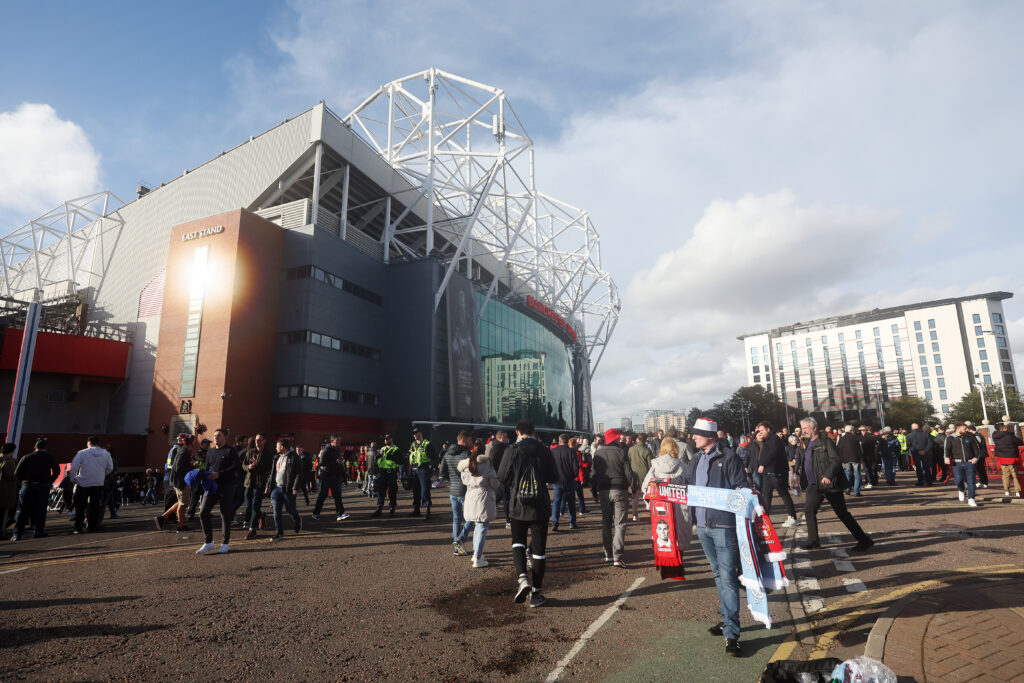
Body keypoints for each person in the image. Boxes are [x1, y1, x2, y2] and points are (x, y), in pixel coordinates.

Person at [679, 418, 746, 657]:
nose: (693, 438)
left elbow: (742, 488)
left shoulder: (729, 457)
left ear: (710, 436)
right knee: (719, 574)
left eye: (697, 434)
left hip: (723, 526)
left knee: (727, 578)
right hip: (704, 527)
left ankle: (732, 635)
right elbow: (685, 484)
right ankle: (728, 620)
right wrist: (659, 489)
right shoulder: (696, 458)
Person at [497, 419, 558, 608]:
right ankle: (537, 594)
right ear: (534, 432)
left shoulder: (511, 450)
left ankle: (523, 578)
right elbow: (553, 477)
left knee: (518, 543)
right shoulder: (544, 450)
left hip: (517, 505)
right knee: (539, 552)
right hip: (539, 505)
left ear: (517, 432)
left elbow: (502, 477)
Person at [796, 417, 873, 553]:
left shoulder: (825, 442)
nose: (803, 431)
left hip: (829, 484)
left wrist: (828, 475)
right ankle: (813, 541)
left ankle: (864, 540)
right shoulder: (808, 443)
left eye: (805, 428)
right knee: (809, 511)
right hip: (814, 485)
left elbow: (836, 460)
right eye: (802, 428)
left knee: (842, 513)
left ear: (814, 428)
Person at [592, 428, 634, 567]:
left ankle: (608, 553)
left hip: (603, 490)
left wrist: (593, 491)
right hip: (619, 489)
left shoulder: (598, 452)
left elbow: (593, 474)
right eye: (618, 437)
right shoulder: (621, 452)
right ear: (615, 438)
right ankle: (617, 555)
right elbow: (628, 472)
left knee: (606, 522)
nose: (620, 439)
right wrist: (632, 488)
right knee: (620, 523)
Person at [195, 428, 240, 555]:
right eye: (214, 436)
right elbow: (208, 468)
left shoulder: (230, 451)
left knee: (225, 514)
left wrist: (219, 474)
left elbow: (236, 467)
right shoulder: (210, 452)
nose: (216, 438)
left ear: (224, 437)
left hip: (227, 485)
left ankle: (225, 544)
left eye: (218, 436)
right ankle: (208, 542)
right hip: (212, 487)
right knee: (203, 512)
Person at [459, 440, 500, 568]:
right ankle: (477, 556)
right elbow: (495, 483)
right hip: (484, 498)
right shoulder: (487, 464)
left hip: (471, 496)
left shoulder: (465, 465)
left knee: (477, 527)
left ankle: (477, 554)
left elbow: (464, 480)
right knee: (482, 528)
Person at [12, 439, 61, 541]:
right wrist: (49, 481)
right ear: (46, 448)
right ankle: (38, 531)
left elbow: (16, 473)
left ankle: (17, 534)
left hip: (28, 485)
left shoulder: (26, 457)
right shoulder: (50, 457)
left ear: (35, 447)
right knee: (41, 510)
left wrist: (23, 483)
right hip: (43, 486)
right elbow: (57, 471)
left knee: (22, 510)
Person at [753, 421, 798, 527]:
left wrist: (763, 464)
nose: (760, 433)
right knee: (766, 496)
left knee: (783, 494)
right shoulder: (768, 440)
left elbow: (773, 453)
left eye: (762, 430)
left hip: (776, 472)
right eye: (759, 431)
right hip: (768, 473)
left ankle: (793, 517)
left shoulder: (774, 439)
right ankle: (766, 519)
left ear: (768, 429)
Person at [69, 436, 114, 534]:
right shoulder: (106, 454)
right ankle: (92, 526)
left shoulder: (82, 453)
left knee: (80, 506)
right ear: (98, 443)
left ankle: (78, 527)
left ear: (88, 443)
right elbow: (110, 468)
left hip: (83, 483)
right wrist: (101, 475)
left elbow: (74, 467)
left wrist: (73, 479)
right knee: (95, 505)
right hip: (98, 483)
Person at [439, 431, 473, 554]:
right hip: (465, 490)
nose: (471, 442)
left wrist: (452, 480)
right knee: (473, 517)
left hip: (453, 490)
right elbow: (472, 473)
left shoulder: (447, 453)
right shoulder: (466, 453)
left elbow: (442, 473)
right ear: (463, 440)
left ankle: (456, 548)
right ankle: (460, 539)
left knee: (456, 519)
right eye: (470, 440)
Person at [155, 433, 196, 533]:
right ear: (190, 444)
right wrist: (193, 467)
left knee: (180, 502)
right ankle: (180, 526)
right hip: (180, 482)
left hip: (177, 481)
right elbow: (179, 468)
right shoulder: (184, 452)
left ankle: (163, 517)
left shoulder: (182, 450)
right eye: (193, 443)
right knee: (183, 504)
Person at [264, 437, 302, 541]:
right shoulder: (276, 457)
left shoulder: (294, 457)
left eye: (277, 445)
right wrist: (268, 485)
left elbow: (299, 474)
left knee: (290, 509)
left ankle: (297, 519)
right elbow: (272, 473)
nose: (275, 447)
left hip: (288, 489)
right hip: (276, 488)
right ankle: (279, 532)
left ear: (282, 447)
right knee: (276, 511)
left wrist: (295, 487)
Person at [313, 435, 350, 522]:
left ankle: (340, 514)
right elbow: (321, 462)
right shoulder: (326, 450)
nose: (339, 443)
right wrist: (335, 462)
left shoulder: (337, 450)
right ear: (332, 441)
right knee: (323, 495)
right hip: (326, 475)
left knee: (337, 495)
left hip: (335, 475)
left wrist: (343, 475)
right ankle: (315, 513)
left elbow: (339, 464)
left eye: (339, 441)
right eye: (337, 441)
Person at [243, 434, 274, 537]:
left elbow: (268, 469)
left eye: (259, 440)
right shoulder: (250, 452)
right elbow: (243, 465)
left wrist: (258, 465)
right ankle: (262, 515)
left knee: (255, 506)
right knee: (248, 506)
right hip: (249, 482)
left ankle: (252, 530)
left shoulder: (268, 454)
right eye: (256, 440)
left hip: (259, 483)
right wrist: (249, 467)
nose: (257, 442)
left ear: (264, 441)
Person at [943, 422, 981, 507]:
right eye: (964, 429)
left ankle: (971, 499)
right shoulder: (950, 438)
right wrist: (946, 458)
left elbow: (977, 449)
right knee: (959, 480)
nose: (966, 430)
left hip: (970, 462)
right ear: (958, 428)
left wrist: (975, 458)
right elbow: (947, 449)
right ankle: (961, 489)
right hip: (957, 463)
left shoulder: (970, 437)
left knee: (971, 481)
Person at [551, 434, 580, 531]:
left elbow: (550, 466)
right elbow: (576, 468)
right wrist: (573, 476)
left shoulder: (553, 451)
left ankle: (555, 523)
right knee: (571, 503)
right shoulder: (572, 452)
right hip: (569, 480)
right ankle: (572, 522)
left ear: (559, 441)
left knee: (556, 502)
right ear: (567, 441)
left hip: (557, 480)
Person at [407, 428, 437, 519]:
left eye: (416, 433)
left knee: (425, 490)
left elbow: (434, 457)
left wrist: (431, 469)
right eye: (413, 433)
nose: (415, 435)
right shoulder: (413, 445)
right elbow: (410, 456)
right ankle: (416, 510)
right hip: (414, 470)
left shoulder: (427, 444)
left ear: (421, 433)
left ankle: (427, 510)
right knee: (415, 491)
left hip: (423, 469)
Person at [368, 435, 400, 517]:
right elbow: (379, 460)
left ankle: (392, 508)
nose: (385, 440)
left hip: (391, 473)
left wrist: (393, 458)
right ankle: (379, 509)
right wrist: (376, 460)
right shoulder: (382, 449)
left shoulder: (396, 449)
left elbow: (400, 460)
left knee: (392, 491)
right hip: (382, 473)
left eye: (387, 439)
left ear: (391, 439)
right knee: (381, 491)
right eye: (385, 439)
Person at [486, 430, 511, 528]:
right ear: (500, 438)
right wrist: (498, 474)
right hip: (501, 477)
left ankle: (486, 513)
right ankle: (508, 521)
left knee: (497, 497)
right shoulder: (497, 448)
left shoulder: (500, 446)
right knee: (506, 498)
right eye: (505, 437)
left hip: (500, 477)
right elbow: (493, 463)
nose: (507, 439)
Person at [627, 433, 653, 522]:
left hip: (634, 475)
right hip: (645, 476)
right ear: (646, 440)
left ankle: (635, 514)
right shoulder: (647, 450)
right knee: (648, 496)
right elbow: (651, 466)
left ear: (638, 439)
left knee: (635, 496)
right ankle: (651, 514)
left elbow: (628, 462)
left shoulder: (631, 449)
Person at [838, 425, 863, 496]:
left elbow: (839, 449)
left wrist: (842, 458)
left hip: (846, 459)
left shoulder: (842, 439)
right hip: (855, 458)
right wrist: (861, 458)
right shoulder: (854, 437)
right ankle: (856, 491)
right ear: (851, 430)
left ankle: (847, 489)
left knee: (847, 474)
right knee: (857, 474)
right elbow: (859, 449)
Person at [0, 443, 17, 538]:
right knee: (3, 513)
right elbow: (11, 475)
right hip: (6, 489)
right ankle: (1, 532)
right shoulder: (9, 461)